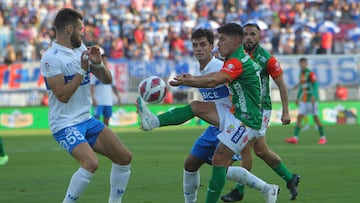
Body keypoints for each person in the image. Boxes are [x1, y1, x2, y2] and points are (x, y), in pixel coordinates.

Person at [137, 23, 279, 203]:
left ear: (213, 46)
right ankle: (267, 188)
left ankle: (267, 188)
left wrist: (188, 81)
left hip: (241, 119)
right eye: (195, 45)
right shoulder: (212, 66)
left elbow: (214, 80)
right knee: (192, 163)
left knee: (221, 164)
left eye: (204, 44)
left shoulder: (225, 64)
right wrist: (192, 79)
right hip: (223, 119)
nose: (198, 49)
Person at [40, 8, 132, 203]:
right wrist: (82, 72)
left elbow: (107, 80)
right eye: (81, 29)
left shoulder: (81, 49)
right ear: (70, 30)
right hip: (64, 124)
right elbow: (62, 95)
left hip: (86, 119)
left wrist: (98, 64)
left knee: (124, 158)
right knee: (91, 163)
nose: (84, 33)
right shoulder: (51, 58)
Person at [220, 23, 300, 202]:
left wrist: (286, 111)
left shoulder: (267, 59)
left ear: (259, 37)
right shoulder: (237, 54)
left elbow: (281, 85)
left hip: (260, 109)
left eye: (252, 34)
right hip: (243, 107)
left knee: (245, 148)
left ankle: (239, 191)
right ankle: (290, 178)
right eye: (246, 34)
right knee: (261, 151)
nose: (248, 37)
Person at [285, 57, 327, 145]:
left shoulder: (310, 73)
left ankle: (323, 137)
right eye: (301, 63)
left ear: (306, 64)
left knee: (316, 118)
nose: (302, 65)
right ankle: (295, 138)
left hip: (312, 100)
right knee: (299, 117)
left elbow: (315, 85)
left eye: (304, 63)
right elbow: (301, 87)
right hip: (304, 100)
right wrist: (297, 97)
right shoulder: (301, 74)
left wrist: (314, 95)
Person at [90, 47, 121, 126]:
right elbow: (92, 87)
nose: (105, 62)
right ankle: (97, 136)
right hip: (98, 100)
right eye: (103, 60)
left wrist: (118, 97)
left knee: (106, 121)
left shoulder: (111, 72)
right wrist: (93, 98)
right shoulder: (95, 72)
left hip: (108, 101)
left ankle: (104, 136)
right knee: (96, 120)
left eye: (106, 60)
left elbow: (113, 86)